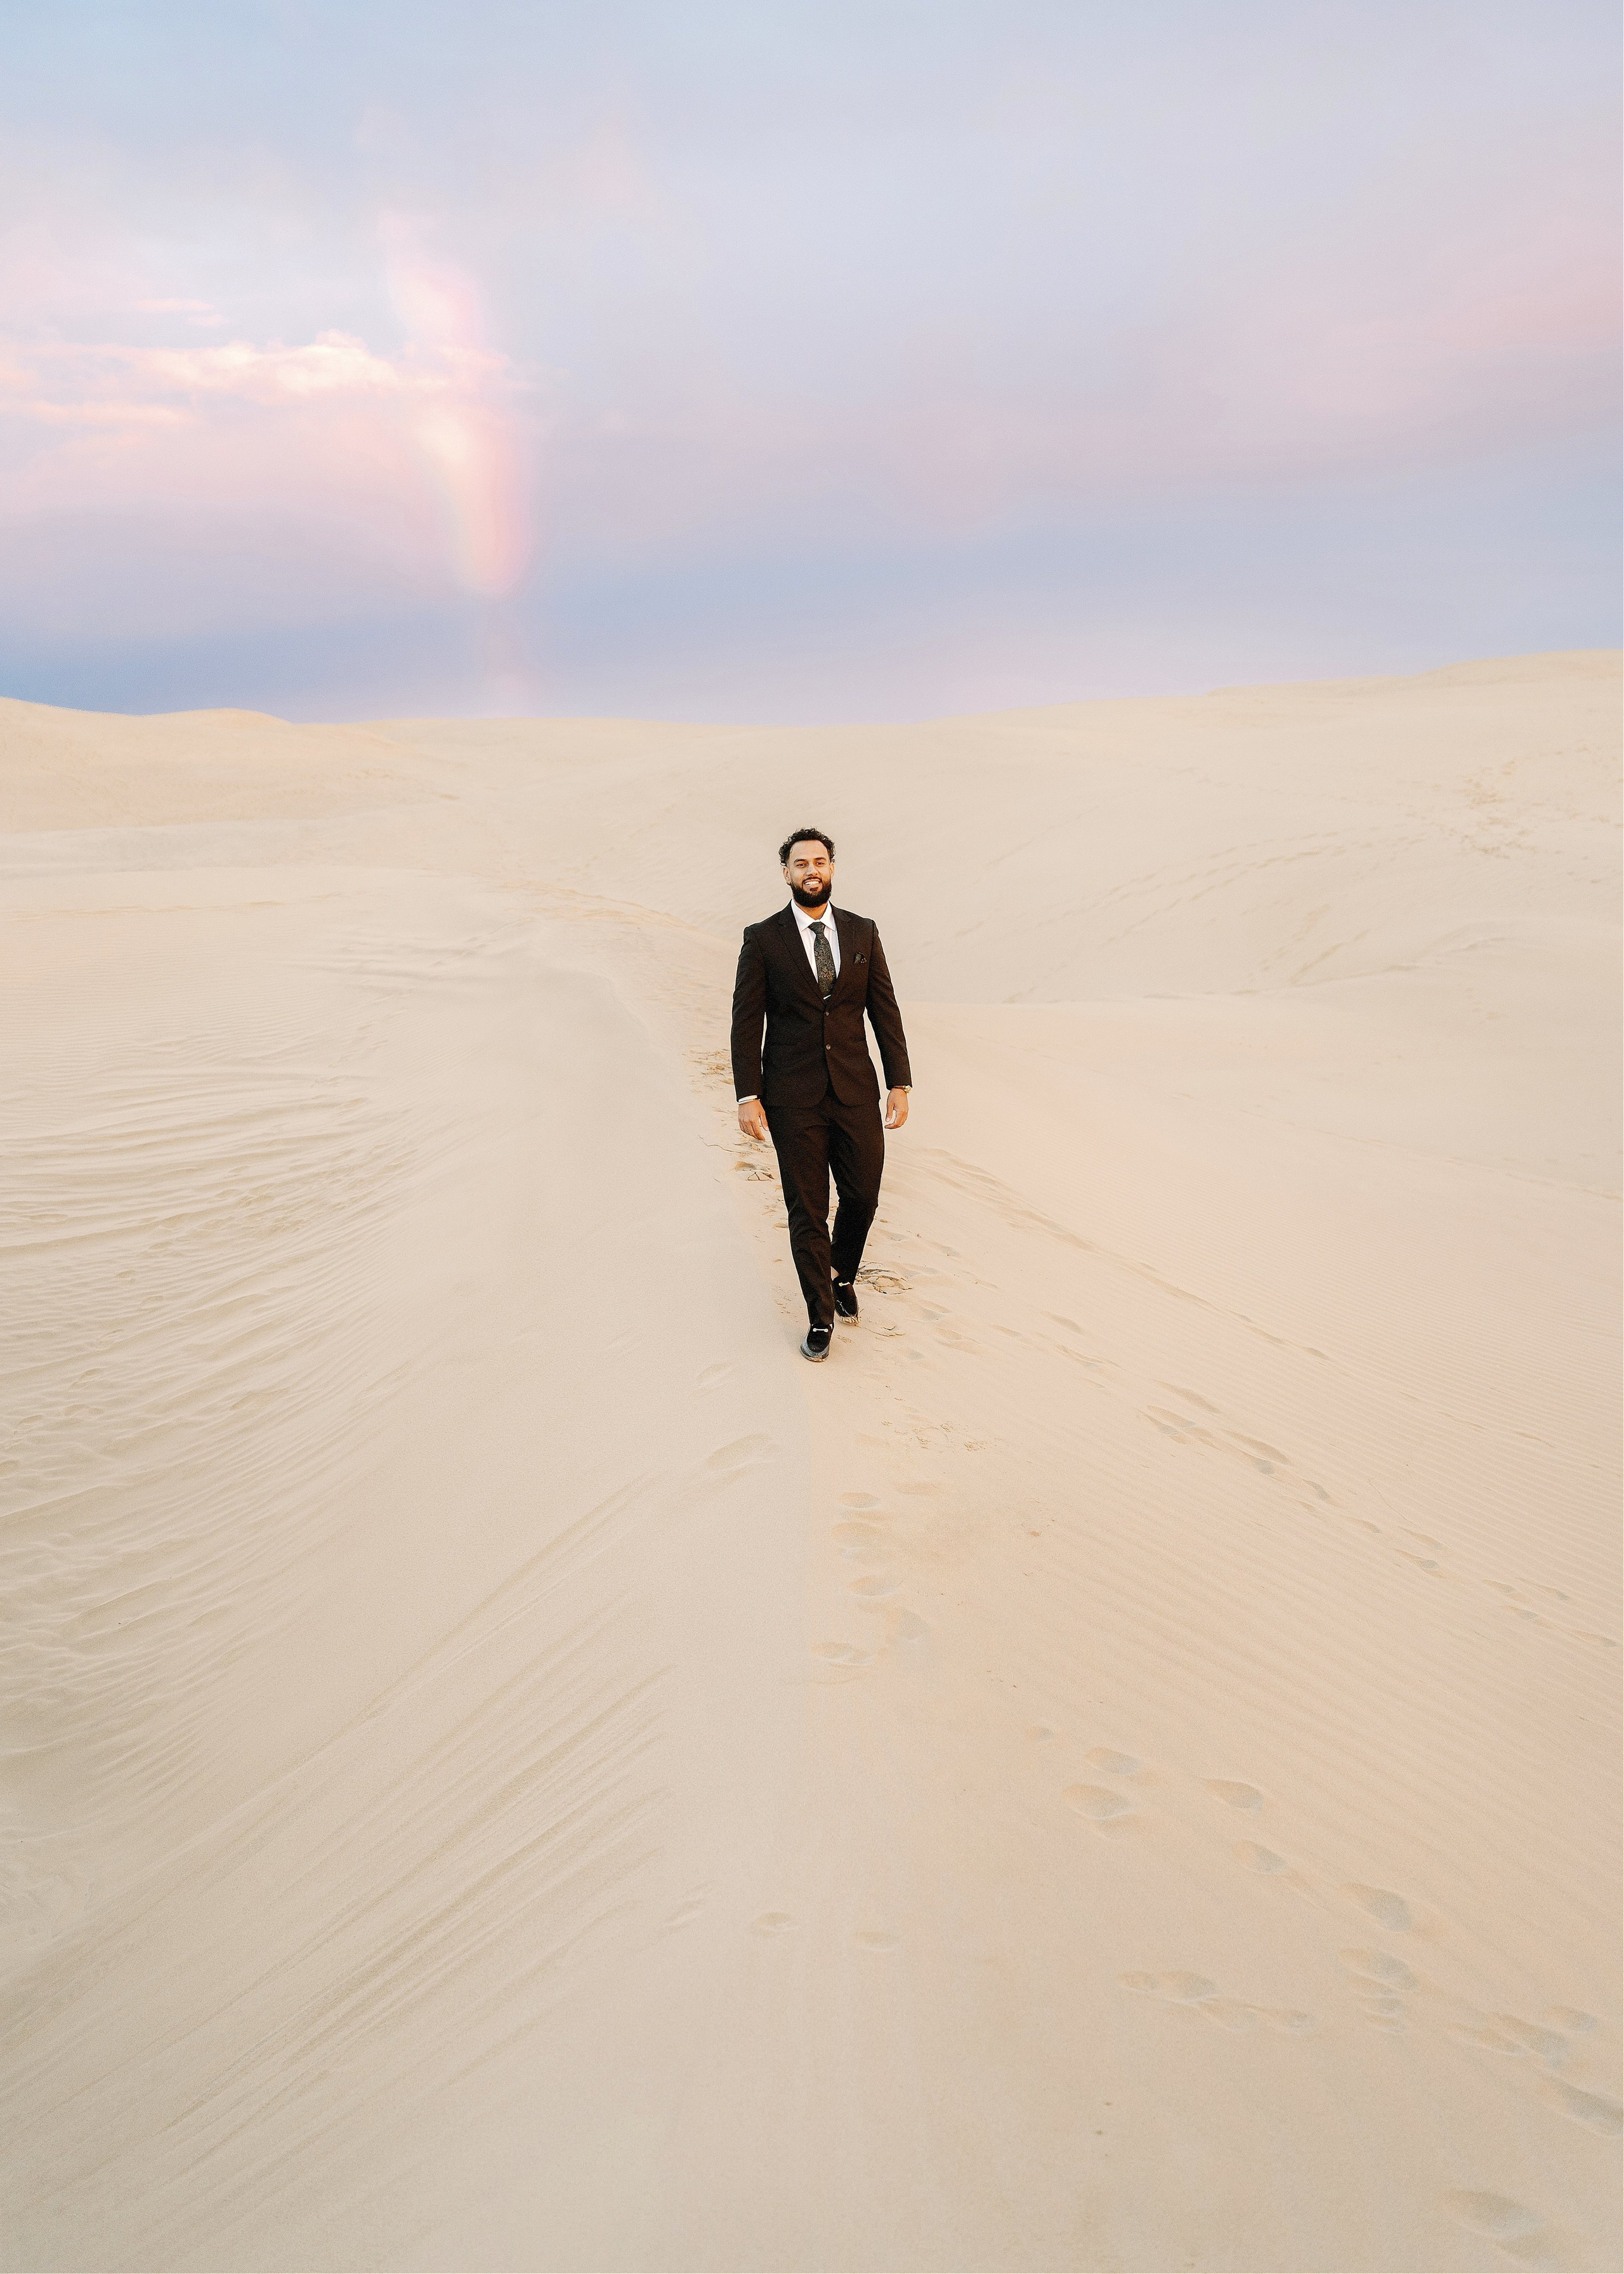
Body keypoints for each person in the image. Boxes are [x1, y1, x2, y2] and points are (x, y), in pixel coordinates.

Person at [731, 829, 912, 1362]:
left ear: (832, 868)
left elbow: (885, 1011)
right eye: (800, 862)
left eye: (820, 861)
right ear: (785, 873)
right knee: (807, 1208)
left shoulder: (863, 932)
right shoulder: (762, 939)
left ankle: (841, 1273)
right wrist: (749, 1095)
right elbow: (747, 1025)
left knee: (862, 1195)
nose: (811, 869)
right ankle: (819, 1314)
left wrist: (899, 1081)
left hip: (856, 1089)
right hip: (792, 1096)